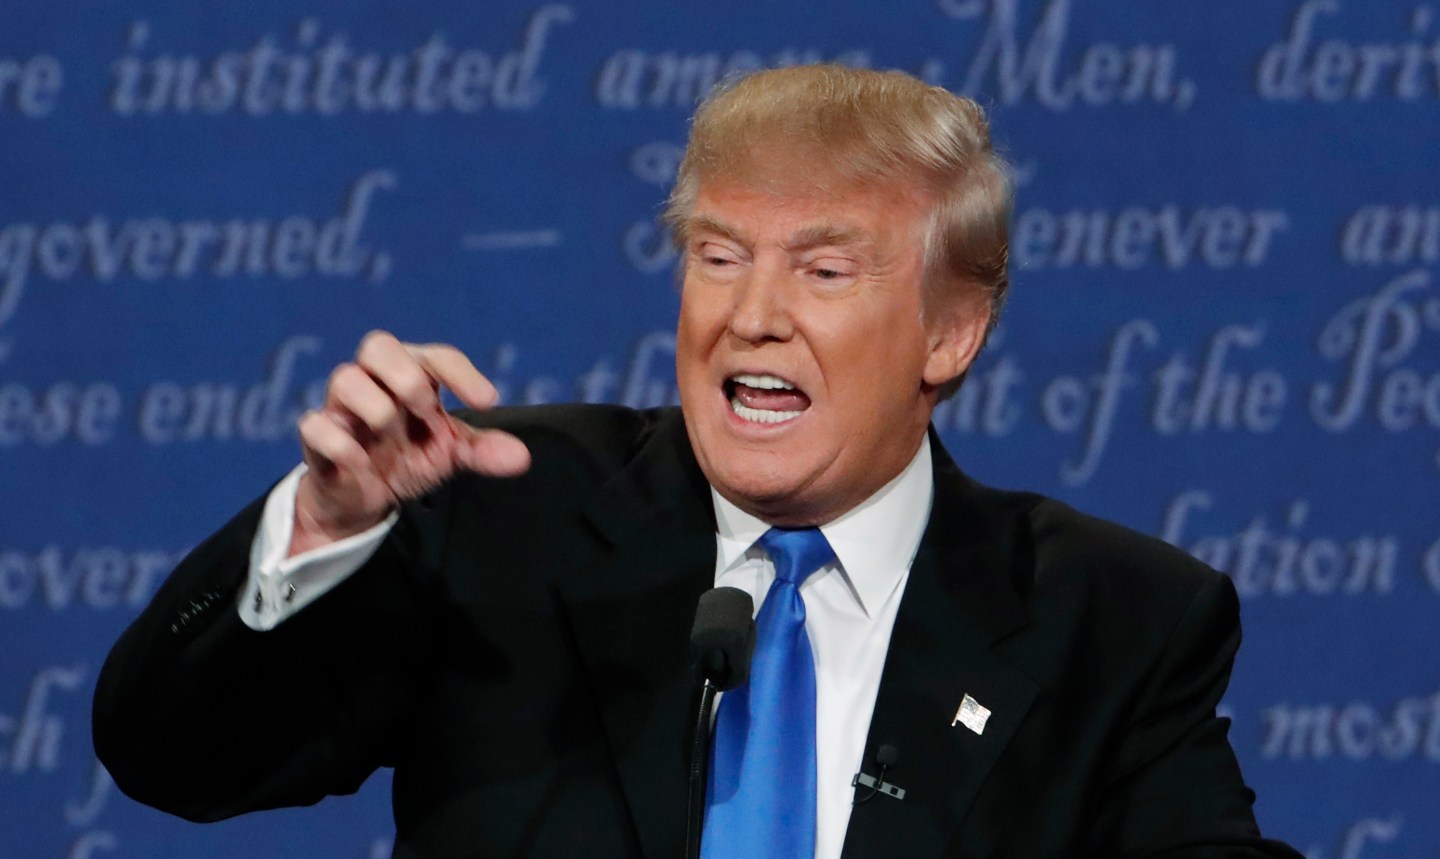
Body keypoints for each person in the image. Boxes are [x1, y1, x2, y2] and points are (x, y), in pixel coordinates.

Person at [94, 65, 1300, 858]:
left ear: (950, 331)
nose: (751, 315)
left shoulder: (1111, 618)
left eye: (824, 271)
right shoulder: (508, 513)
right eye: (719, 256)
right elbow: (175, 761)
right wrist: (321, 530)